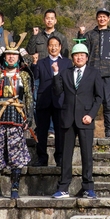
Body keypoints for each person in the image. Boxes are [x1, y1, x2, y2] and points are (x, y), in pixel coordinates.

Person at [0, 39, 34, 199]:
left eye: (14, 55)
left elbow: (29, 97)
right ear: (5, 57)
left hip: (17, 116)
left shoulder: (24, 75)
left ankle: (15, 189)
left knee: (16, 155)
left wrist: (29, 118)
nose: (11, 58)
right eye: (9, 55)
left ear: (19, 58)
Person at [51, 43, 104, 199]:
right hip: (67, 118)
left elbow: (99, 97)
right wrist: (55, 74)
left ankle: (88, 187)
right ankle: (63, 188)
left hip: (86, 118)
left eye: (82, 55)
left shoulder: (94, 73)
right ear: (72, 58)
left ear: (87, 57)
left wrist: (91, 114)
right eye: (76, 55)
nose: (79, 57)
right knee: (66, 154)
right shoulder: (65, 73)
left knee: (86, 154)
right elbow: (57, 91)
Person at [79, 8, 110, 139]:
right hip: (92, 73)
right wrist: (81, 34)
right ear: (96, 18)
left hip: (107, 74)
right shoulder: (90, 34)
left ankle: (109, 131)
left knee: (108, 103)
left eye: (104, 17)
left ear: (108, 19)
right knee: (88, 102)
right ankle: (87, 128)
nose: (102, 19)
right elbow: (82, 49)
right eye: (99, 16)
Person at [30, 35, 66, 167]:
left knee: (60, 131)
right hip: (43, 101)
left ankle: (60, 157)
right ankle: (41, 157)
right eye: (51, 45)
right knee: (42, 131)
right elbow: (34, 77)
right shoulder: (41, 62)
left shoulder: (67, 63)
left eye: (56, 45)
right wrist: (33, 64)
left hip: (59, 101)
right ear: (47, 47)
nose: (53, 47)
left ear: (60, 47)